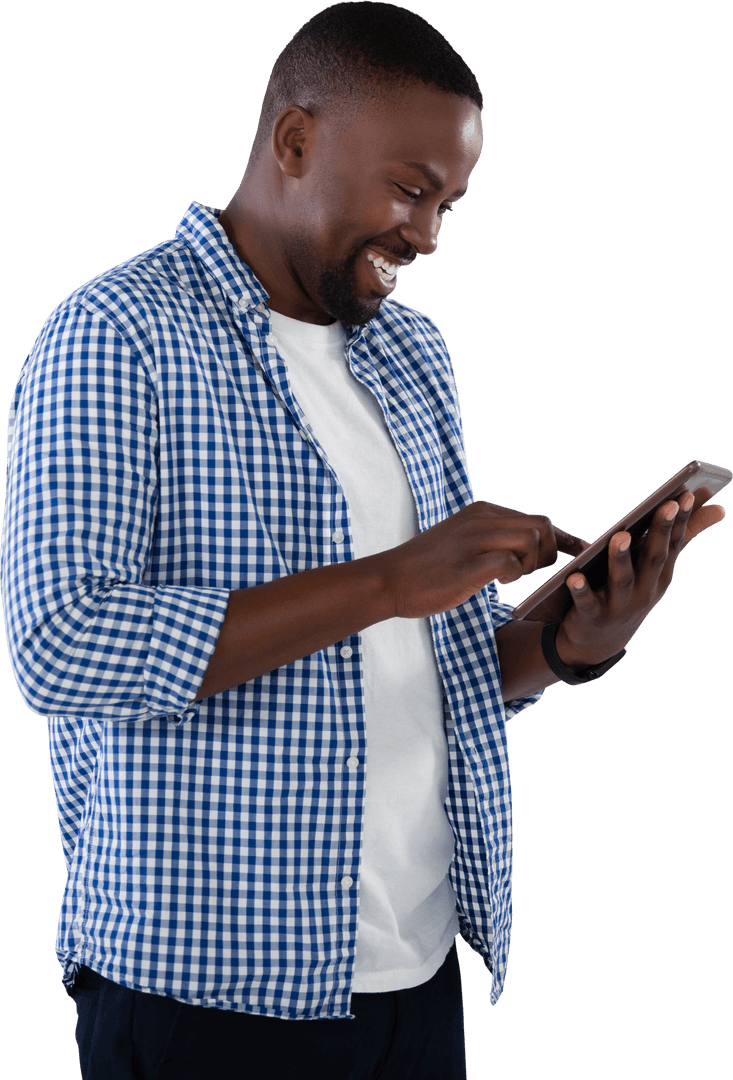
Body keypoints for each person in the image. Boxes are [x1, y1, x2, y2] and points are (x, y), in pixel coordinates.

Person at [0, 3, 724, 1078]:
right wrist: (388, 580)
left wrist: (572, 643)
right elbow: (57, 646)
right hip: (208, 993)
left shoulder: (413, 356)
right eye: (409, 188)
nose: (429, 234)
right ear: (294, 142)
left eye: (450, 203)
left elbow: (429, 658)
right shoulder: (114, 334)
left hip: (415, 982)